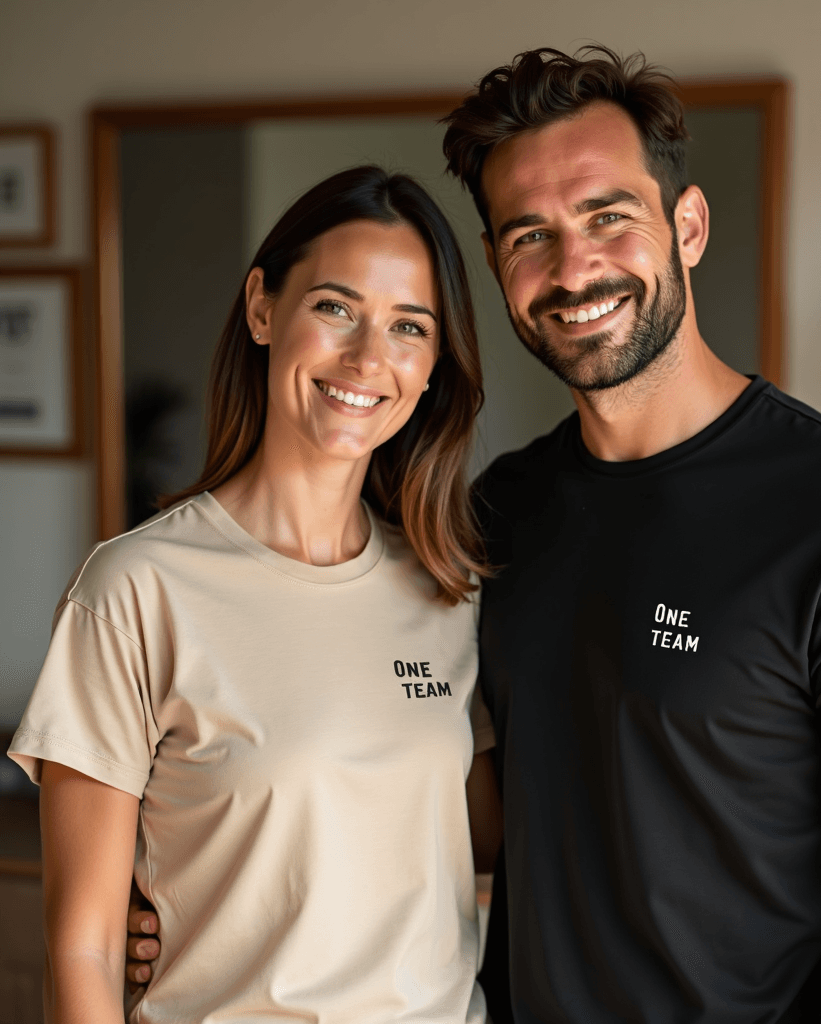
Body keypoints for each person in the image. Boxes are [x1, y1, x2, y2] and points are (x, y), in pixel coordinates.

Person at [127, 47, 821, 1024]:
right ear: (493, 264)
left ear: (687, 225)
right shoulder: (493, 516)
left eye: (607, 218)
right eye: (529, 235)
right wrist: (166, 882)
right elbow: (417, 787)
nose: (572, 268)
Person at [8, 165, 503, 1024]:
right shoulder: (135, 590)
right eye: (335, 308)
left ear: (432, 368)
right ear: (263, 308)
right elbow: (82, 950)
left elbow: (478, 845)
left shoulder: (448, 589)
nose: (367, 358)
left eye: (409, 327)